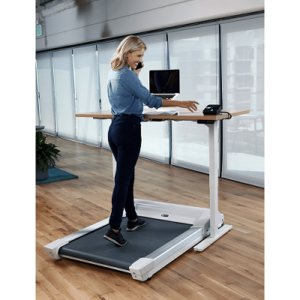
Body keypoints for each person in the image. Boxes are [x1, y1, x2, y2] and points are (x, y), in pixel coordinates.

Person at [103, 35, 199, 246]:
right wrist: (181, 103)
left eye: (141, 56)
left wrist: (136, 72)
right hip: (128, 130)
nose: (139, 60)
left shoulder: (115, 73)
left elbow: (130, 94)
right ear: (127, 53)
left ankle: (133, 219)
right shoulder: (127, 76)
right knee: (122, 181)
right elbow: (151, 100)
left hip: (115, 128)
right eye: (137, 56)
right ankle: (114, 228)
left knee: (127, 177)